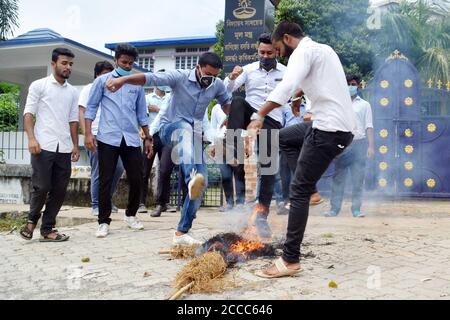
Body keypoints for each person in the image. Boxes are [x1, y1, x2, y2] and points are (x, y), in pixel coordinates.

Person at [247, 22, 356, 278]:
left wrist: (260, 114)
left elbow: (285, 85)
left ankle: (290, 260)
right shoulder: (322, 50)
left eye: (277, 48)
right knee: (283, 137)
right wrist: (298, 97)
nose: (278, 53)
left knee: (297, 191)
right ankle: (313, 193)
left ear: (286, 38)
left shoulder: (302, 53)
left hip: (328, 131)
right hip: (329, 127)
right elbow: (311, 82)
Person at [105, 52, 231, 245]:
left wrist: (233, 120)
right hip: (170, 129)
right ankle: (190, 179)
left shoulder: (217, 84)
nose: (209, 81)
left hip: (193, 136)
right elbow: (150, 78)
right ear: (197, 68)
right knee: (184, 129)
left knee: (201, 183)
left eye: (213, 77)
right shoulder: (179, 77)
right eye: (206, 76)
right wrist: (123, 80)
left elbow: (226, 104)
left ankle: (181, 233)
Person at [84, 44, 152, 238]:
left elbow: (142, 114)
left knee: (137, 178)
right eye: (124, 62)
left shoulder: (136, 84)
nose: (127, 66)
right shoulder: (103, 81)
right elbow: (91, 108)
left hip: (131, 138)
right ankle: (103, 221)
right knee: (105, 179)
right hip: (108, 137)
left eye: (131, 63)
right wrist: (88, 134)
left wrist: (147, 137)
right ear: (116, 61)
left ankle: (131, 215)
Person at [224, 33, 287, 239]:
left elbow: (294, 92)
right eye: (262, 52)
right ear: (257, 51)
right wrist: (231, 78)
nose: (265, 56)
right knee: (238, 101)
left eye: (269, 53)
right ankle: (234, 150)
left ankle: (261, 217)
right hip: (251, 115)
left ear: (276, 52)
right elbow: (229, 89)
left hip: (271, 121)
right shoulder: (248, 69)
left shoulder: (286, 72)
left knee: (268, 170)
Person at [19, 48, 79, 242]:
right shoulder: (39, 85)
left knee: (60, 190)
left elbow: (73, 121)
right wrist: (31, 138)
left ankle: (47, 229)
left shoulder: (72, 91)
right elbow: (28, 114)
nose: (68, 66)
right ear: (53, 64)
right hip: (43, 144)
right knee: (42, 186)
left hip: (64, 147)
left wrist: (76, 146)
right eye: (64, 63)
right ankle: (30, 222)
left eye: (70, 64)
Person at [324, 75, 374, 218]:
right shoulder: (338, 104)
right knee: (338, 178)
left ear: (358, 86)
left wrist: (371, 146)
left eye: (352, 84)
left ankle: (356, 210)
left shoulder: (365, 105)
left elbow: (369, 126)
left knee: (358, 179)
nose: (350, 87)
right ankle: (334, 209)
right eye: (347, 84)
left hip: (359, 144)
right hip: (342, 145)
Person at [78, 61, 124, 216]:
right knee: (99, 171)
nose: (108, 77)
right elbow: (82, 112)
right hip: (95, 134)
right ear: (97, 75)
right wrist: (87, 134)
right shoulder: (89, 89)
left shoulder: (114, 90)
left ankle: (106, 200)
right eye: (104, 74)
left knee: (118, 168)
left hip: (112, 135)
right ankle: (96, 204)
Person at [138, 82, 172, 215]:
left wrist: (156, 109)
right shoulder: (147, 98)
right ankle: (141, 202)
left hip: (167, 136)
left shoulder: (170, 97)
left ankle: (162, 202)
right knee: (144, 170)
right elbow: (143, 116)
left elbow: (166, 114)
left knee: (165, 169)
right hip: (150, 135)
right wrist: (147, 135)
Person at [210, 104, 246, 212]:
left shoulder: (238, 105)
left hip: (236, 141)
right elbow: (213, 127)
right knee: (225, 174)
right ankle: (229, 203)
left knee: (239, 173)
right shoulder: (216, 108)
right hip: (221, 142)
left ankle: (240, 203)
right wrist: (213, 144)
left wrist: (245, 141)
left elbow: (244, 125)